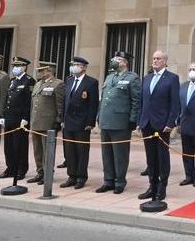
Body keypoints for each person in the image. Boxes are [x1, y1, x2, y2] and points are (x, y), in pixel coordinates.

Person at [137, 50, 180, 204]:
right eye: (154, 58)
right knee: (150, 158)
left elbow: (175, 103)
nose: (155, 61)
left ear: (165, 61)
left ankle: (162, 187)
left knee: (162, 157)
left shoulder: (172, 78)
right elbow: (142, 102)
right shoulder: (146, 78)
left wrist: (171, 123)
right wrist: (139, 121)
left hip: (162, 125)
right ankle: (152, 186)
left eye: (158, 58)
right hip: (147, 123)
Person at [96, 51, 141, 194]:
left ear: (125, 62)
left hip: (121, 122)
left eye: (118, 59)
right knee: (106, 153)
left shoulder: (132, 78)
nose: (114, 61)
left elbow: (136, 101)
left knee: (120, 153)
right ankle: (108, 180)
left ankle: (120, 181)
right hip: (106, 120)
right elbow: (103, 98)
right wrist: (99, 115)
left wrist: (133, 119)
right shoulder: (109, 77)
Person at [61, 56, 99, 189]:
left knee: (81, 151)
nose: (74, 66)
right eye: (73, 64)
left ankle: (81, 177)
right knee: (69, 150)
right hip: (68, 121)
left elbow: (93, 104)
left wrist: (90, 122)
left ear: (84, 67)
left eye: (77, 64)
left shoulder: (91, 82)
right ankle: (71, 175)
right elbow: (64, 102)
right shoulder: (69, 80)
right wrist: (62, 119)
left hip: (82, 122)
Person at [28, 61, 65, 184]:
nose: (39, 72)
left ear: (49, 71)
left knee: (47, 151)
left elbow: (59, 104)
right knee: (37, 150)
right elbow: (34, 104)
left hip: (48, 123)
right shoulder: (38, 84)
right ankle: (40, 172)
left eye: (41, 70)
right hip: (36, 122)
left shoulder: (58, 84)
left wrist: (58, 121)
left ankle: (48, 173)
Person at [0, 57, 34, 182]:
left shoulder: (29, 81)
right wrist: (3, 115)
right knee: (8, 146)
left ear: (24, 67)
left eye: (17, 66)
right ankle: (10, 168)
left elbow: (28, 102)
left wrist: (25, 118)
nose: (15, 68)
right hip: (9, 118)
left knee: (20, 145)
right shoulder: (13, 81)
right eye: (14, 65)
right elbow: (7, 99)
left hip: (20, 120)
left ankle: (21, 169)